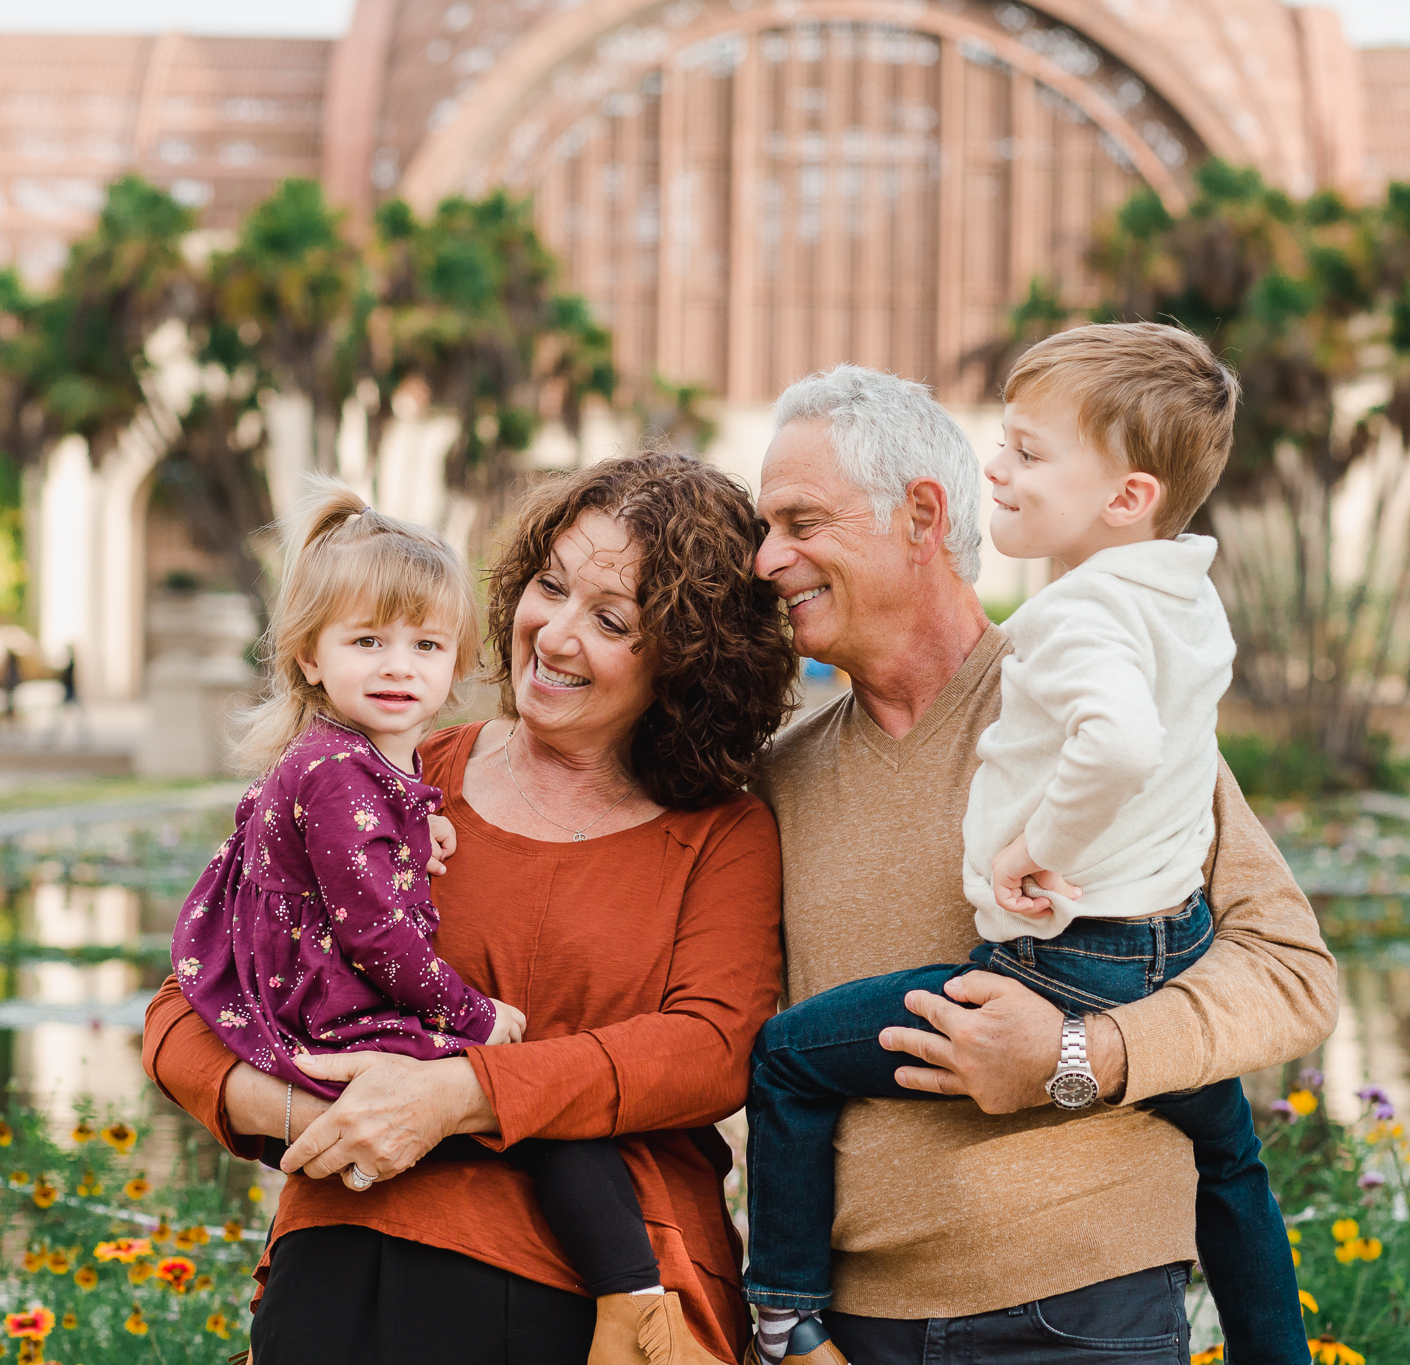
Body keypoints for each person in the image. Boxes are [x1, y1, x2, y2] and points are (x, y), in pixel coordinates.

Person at [142, 453, 794, 1365]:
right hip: (348, 1250)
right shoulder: (384, 778)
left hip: (600, 1280)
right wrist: (310, 1108)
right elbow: (193, 995)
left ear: (690, 659)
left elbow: (711, 1049)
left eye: (609, 619)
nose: (556, 634)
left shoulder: (721, 833)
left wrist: (462, 1095)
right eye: (550, 585)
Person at [751, 364, 1338, 1365]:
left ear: (921, 516)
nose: (767, 559)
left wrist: (1077, 1060)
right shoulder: (778, 781)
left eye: (799, 522)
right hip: (847, 1337)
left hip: (1080, 1320)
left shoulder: (1093, 703)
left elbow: (1290, 979)